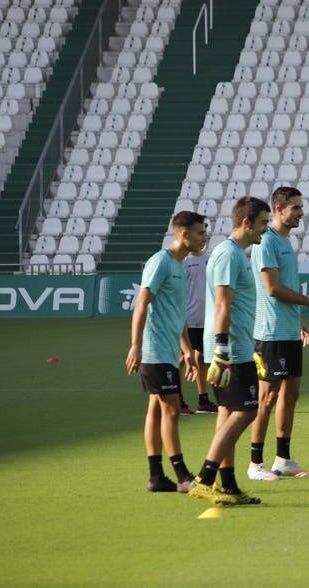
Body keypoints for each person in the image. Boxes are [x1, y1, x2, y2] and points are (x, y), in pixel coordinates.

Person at [190, 197, 271, 506]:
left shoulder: (235, 254)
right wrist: (223, 349)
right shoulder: (228, 255)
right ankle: (205, 478)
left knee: (226, 414)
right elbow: (223, 303)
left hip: (236, 347)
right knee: (247, 411)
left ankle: (228, 485)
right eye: (263, 222)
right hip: (229, 351)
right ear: (247, 223)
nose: (265, 229)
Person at [247, 186, 309, 481]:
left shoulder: (284, 242)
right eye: (296, 208)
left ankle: (283, 459)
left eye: (301, 208)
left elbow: (284, 288)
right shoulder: (265, 242)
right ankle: (255, 463)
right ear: (279, 209)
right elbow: (272, 288)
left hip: (287, 331)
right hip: (269, 334)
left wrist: (297, 321)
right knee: (267, 397)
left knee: (291, 393)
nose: (301, 213)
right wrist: (308, 302)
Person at [127, 210, 208, 493]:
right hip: (154, 350)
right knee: (172, 410)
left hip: (168, 351)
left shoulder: (181, 266)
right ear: (183, 234)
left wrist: (186, 350)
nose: (204, 238)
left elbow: (179, 315)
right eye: (200, 232)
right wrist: (136, 345)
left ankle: (156, 477)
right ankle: (182, 474)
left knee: (157, 409)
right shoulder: (160, 262)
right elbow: (141, 303)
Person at [181, 252, 216, 415]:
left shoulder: (210, 258)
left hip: (207, 319)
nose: (202, 239)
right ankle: (177, 401)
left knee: (202, 358)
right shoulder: (183, 262)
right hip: (189, 318)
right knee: (182, 358)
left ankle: (203, 401)